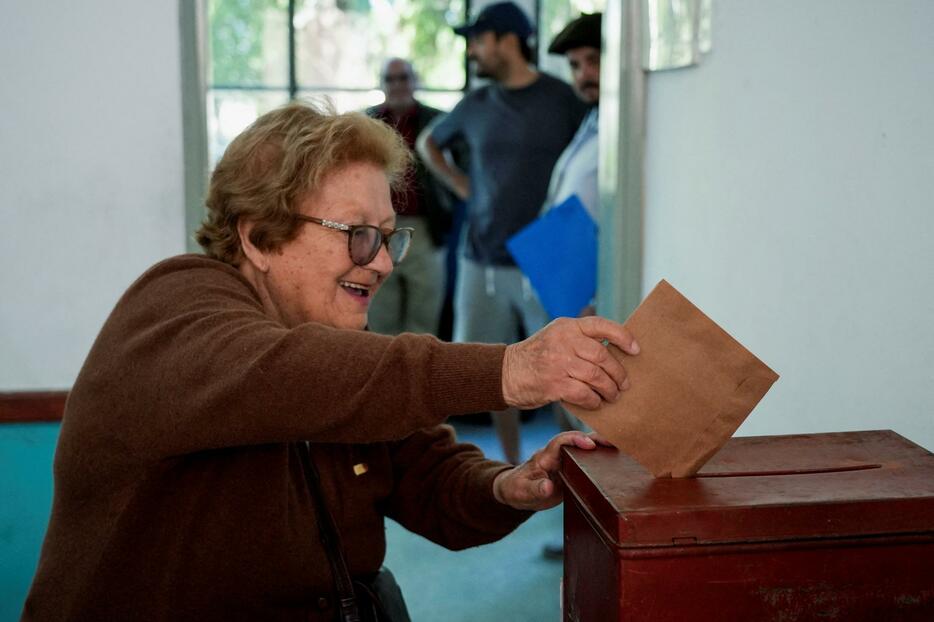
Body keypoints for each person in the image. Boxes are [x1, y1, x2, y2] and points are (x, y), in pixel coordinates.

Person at [22, 101, 640, 621]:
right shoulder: (173, 308)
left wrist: (509, 486)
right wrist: (511, 368)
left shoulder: (332, 349)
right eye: (357, 234)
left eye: (389, 235)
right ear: (258, 236)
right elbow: (288, 374)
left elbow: (424, 471)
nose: (382, 262)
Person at [417, 1, 588, 464]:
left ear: (508, 40)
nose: (473, 51)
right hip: (480, 260)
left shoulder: (562, 99)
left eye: (479, 40)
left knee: (569, 380)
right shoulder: (475, 104)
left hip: (546, 262)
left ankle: (574, 474)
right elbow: (427, 142)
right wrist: (458, 184)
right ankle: (509, 467)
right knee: (488, 375)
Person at [539, 12, 604, 560]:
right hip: (563, 281)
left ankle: (594, 533)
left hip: (594, 290)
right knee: (572, 415)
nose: (585, 74)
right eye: (578, 65)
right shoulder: (591, 122)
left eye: (592, 61)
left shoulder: (621, 127)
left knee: (595, 418)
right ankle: (579, 526)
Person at [365, 58, 450, 336]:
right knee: (379, 313)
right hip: (377, 230)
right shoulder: (366, 123)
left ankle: (420, 377)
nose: (398, 85)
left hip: (425, 228)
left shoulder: (438, 121)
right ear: (382, 84)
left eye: (403, 78)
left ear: (414, 80)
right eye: (391, 79)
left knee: (424, 316)